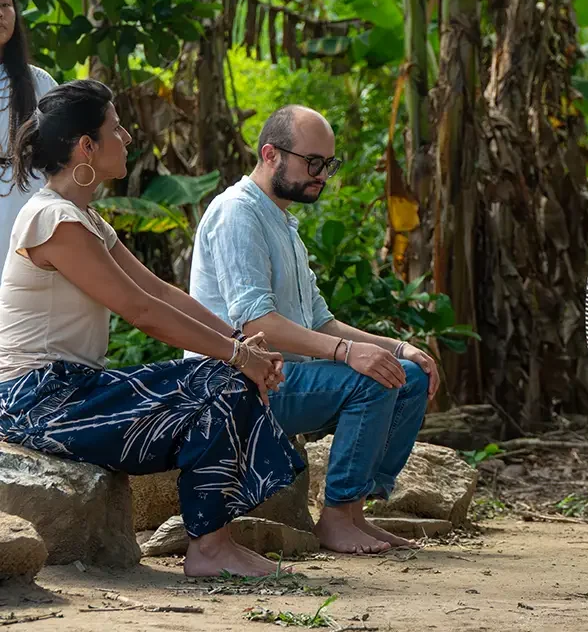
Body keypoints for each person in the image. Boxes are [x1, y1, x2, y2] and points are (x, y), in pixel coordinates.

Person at [0, 79, 305, 577]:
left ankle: (213, 541)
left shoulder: (85, 218)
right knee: (224, 378)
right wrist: (237, 357)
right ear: (87, 147)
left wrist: (239, 343)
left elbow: (161, 292)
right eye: (117, 130)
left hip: (73, 389)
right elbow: (140, 311)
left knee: (226, 374)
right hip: (37, 400)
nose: (128, 139)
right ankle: (209, 548)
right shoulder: (53, 220)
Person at [188, 105, 440, 555]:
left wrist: (400, 347)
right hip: (237, 386)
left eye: (329, 164)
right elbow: (256, 324)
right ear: (271, 155)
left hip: (286, 379)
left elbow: (320, 321)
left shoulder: (284, 223)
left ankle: (356, 513)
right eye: (313, 162)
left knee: (408, 374)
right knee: (370, 378)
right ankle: (337, 517)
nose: (323, 174)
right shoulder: (237, 213)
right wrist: (347, 353)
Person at [0, 0, 58, 273]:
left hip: (28, 203)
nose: (0, 13)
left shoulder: (39, 82)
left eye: (5, 5)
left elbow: (64, 148)